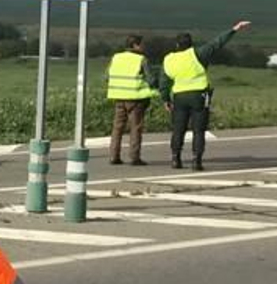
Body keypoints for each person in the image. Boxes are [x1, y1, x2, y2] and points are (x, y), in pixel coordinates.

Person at [160, 20, 252, 171]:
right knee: (198, 130)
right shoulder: (198, 53)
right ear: (191, 44)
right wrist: (234, 29)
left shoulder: (169, 59)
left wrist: (165, 99)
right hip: (199, 96)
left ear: (177, 45)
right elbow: (217, 43)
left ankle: (175, 158)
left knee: (178, 129)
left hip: (179, 96)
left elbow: (164, 82)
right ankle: (197, 161)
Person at [105, 34, 157, 166]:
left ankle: (113, 155)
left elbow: (106, 76)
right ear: (135, 45)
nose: (143, 46)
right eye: (141, 44)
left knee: (117, 127)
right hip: (135, 98)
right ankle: (134, 157)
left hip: (118, 97)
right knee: (136, 127)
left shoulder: (116, 57)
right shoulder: (141, 59)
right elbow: (151, 79)